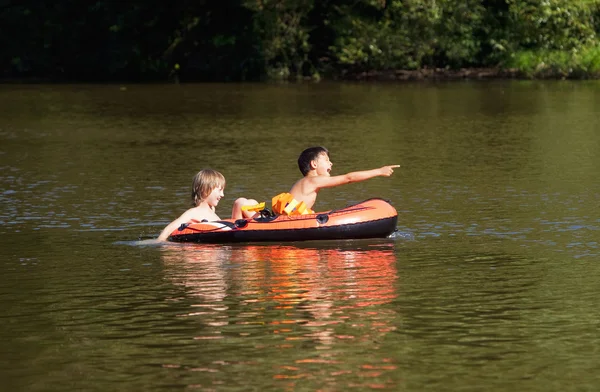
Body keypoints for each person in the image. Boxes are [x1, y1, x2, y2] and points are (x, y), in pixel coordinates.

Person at [157, 169, 258, 241]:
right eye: (219, 190)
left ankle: (266, 221)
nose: (222, 195)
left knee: (245, 202)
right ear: (205, 190)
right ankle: (262, 222)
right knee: (240, 202)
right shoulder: (194, 212)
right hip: (228, 244)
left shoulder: (211, 211)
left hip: (231, 238)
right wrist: (160, 240)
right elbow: (172, 226)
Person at [288, 146, 400, 211]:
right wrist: (379, 171)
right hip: (286, 223)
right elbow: (349, 178)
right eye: (326, 160)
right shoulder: (312, 181)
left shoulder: (305, 182)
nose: (331, 163)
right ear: (314, 164)